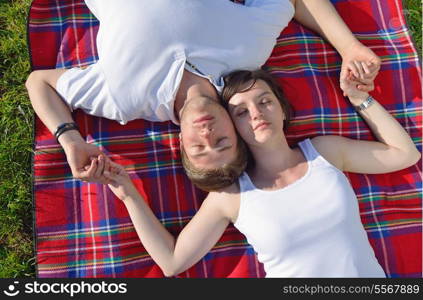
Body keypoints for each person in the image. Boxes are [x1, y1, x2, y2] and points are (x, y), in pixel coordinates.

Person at [97, 68, 420, 277]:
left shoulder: (323, 152)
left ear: (281, 109)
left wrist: (360, 98)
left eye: (264, 101)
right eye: (240, 111)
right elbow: (172, 261)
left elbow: (403, 154)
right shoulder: (232, 196)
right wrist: (127, 192)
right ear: (232, 126)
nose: (256, 114)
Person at [26, 0, 381, 186]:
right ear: (237, 131)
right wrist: (349, 48)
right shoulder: (248, 53)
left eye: (200, 146)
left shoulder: (123, 100)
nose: (208, 134)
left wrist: (69, 140)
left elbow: (38, 83)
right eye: (222, 143)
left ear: (180, 142)